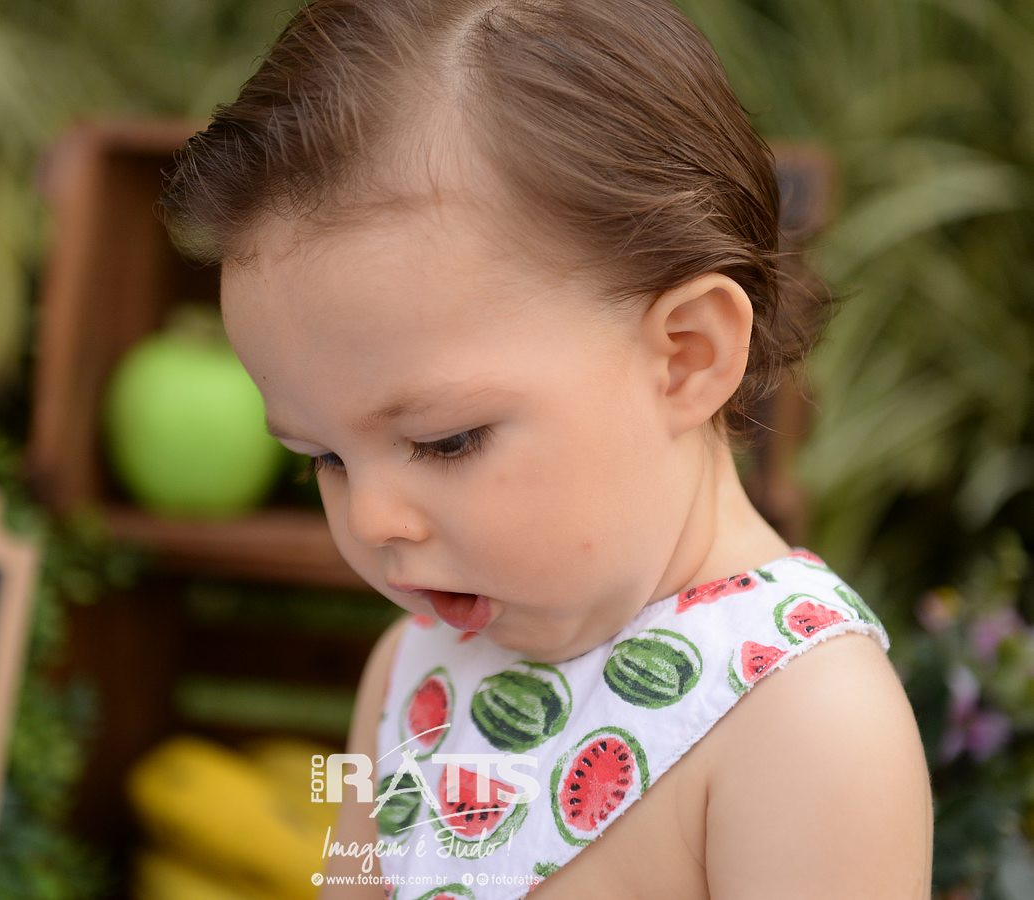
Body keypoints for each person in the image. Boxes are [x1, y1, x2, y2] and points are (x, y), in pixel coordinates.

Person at [161, 0, 934, 895]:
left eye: (445, 441)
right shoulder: (410, 671)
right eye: (323, 458)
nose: (369, 521)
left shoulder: (803, 719)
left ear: (686, 357)